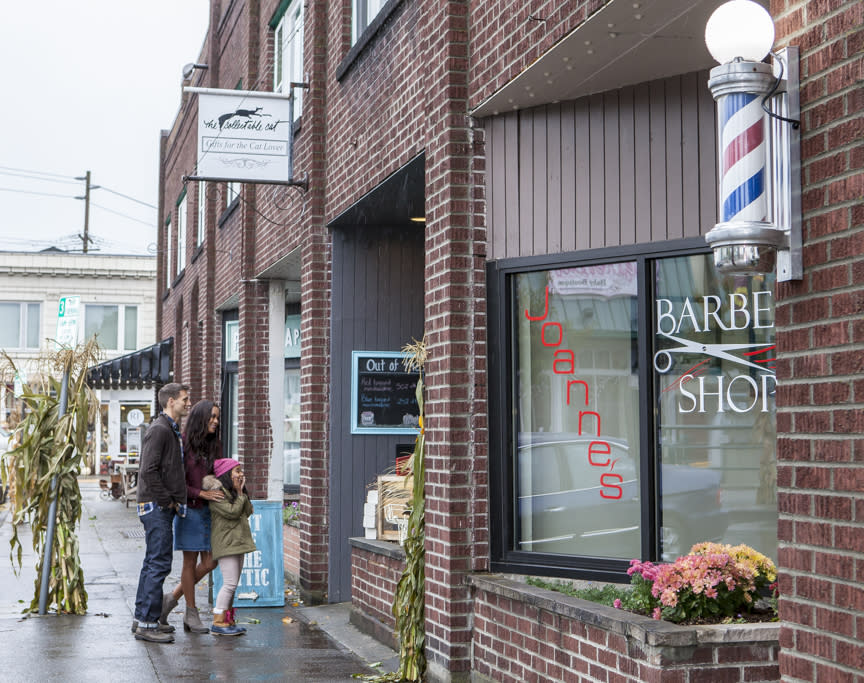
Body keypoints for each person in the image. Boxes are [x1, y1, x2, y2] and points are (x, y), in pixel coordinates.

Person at [159, 401, 224, 633]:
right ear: (200, 418)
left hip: (209, 511)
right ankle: (191, 612)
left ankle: (170, 599)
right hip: (189, 511)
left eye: (217, 417)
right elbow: (174, 483)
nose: (216, 422)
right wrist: (201, 492)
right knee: (189, 562)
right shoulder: (182, 444)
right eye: (212, 417)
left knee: (210, 562)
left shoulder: (214, 445)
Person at [132, 383, 190, 644]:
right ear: (170, 402)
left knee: (152, 563)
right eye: (184, 400)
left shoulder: (168, 429)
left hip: (157, 505)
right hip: (156, 507)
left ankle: (144, 617)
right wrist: (167, 502)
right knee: (159, 563)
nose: (188, 404)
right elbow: (148, 470)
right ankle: (146, 624)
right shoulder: (160, 430)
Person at [203, 458, 256, 636]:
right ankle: (218, 622)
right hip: (226, 542)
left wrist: (241, 492)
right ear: (227, 474)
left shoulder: (234, 492)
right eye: (237, 471)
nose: (241, 474)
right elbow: (233, 513)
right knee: (230, 583)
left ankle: (227, 620)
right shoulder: (217, 493)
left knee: (233, 584)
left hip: (237, 541)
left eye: (241, 471)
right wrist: (240, 493)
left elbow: (248, 511)